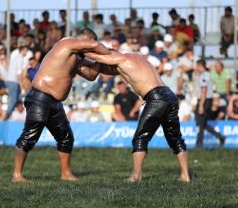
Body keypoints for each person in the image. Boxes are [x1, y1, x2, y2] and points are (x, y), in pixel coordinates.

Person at [12, 28, 110, 183]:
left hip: (55, 102)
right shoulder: (68, 43)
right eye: (89, 46)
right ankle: (17, 175)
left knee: (66, 138)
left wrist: (99, 60)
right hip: (40, 96)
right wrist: (107, 53)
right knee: (29, 135)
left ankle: (66, 174)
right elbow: (98, 47)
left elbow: (91, 75)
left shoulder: (76, 56)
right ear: (85, 40)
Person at [84, 49, 191, 183]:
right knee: (175, 138)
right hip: (170, 95)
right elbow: (108, 69)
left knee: (140, 138)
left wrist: (81, 50)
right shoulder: (138, 60)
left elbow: (100, 57)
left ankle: (136, 176)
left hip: (156, 97)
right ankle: (185, 176)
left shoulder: (122, 58)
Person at [194, 59, 226, 148]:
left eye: (197, 66)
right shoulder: (208, 75)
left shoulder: (202, 76)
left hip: (203, 100)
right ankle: (220, 136)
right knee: (202, 123)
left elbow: (203, 91)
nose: (196, 68)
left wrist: (201, 105)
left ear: (200, 66)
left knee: (200, 123)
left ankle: (199, 144)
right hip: (207, 100)